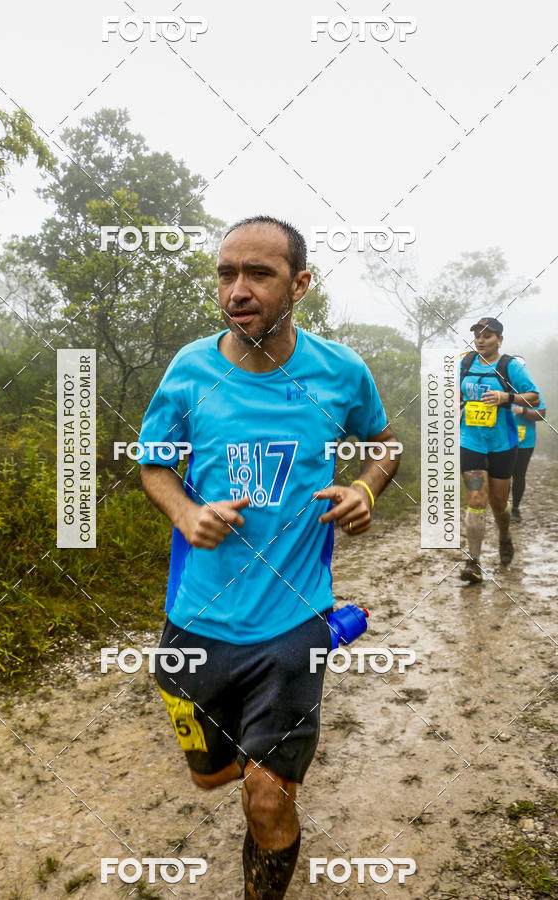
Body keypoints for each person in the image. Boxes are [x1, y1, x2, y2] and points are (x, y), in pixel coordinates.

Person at [138, 215, 400, 899]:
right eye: (227, 273)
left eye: (259, 273)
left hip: (292, 625)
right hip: (198, 622)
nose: (238, 289)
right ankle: (259, 748)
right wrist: (187, 513)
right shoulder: (189, 370)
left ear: (300, 283)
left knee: (266, 798)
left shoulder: (340, 371)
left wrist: (366, 489)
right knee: (209, 778)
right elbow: (154, 467)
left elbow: (384, 443)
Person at [459, 317, 539, 584]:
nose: (481, 340)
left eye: (487, 335)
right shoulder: (466, 362)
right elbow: (457, 392)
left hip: (502, 444)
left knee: (497, 503)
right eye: (477, 335)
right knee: (476, 499)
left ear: (500, 339)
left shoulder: (510, 366)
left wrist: (506, 398)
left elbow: (534, 397)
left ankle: (504, 535)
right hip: (471, 441)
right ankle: (474, 562)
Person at [510, 356, 547, 522]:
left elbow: (542, 414)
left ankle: (515, 508)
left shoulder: (532, 391)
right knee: (502, 475)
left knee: (519, 474)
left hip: (525, 440)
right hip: (502, 438)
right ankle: (501, 508)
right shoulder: (502, 388)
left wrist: (522, 411)